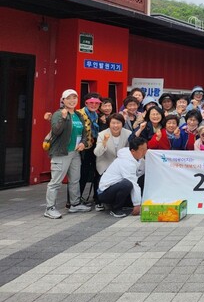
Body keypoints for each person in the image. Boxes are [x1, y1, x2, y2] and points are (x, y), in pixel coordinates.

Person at [44, 89, 92, 219]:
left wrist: (83, 143)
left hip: (75, 152)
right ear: (63, 100)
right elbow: (56, 131)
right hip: (62, 153)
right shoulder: (58, 114)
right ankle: (49, 208)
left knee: (75, 180)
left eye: (74, 98)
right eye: (69, 98)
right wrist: (64, 118)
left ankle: (74, 204)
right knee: (56, 182)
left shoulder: (78, 114)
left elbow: (84, 132)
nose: (72, 101)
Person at [97, 135, 147, 218]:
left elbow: (140, 173)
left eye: (146, 149)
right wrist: (137, 204)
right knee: (127, 184)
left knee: (138, 179)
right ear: (133, 151)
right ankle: (116, 209)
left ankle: (125, 203)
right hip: (104, 192)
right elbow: (133, 182)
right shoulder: (126, 162)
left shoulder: (138, 158)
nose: (145, 152)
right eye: (142, 150)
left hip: (116, 186)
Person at [94, 113, 130, 211]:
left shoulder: (128, 134)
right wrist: (104, 142)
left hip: (121, 166)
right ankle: (102, 200)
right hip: (106, 165)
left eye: (118, 123)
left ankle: (120, 202)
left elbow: (129, 151)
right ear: (109, 124)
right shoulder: (102, 134)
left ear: (122, 124)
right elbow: (97, 153)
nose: (115, 125)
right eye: (113, 123)